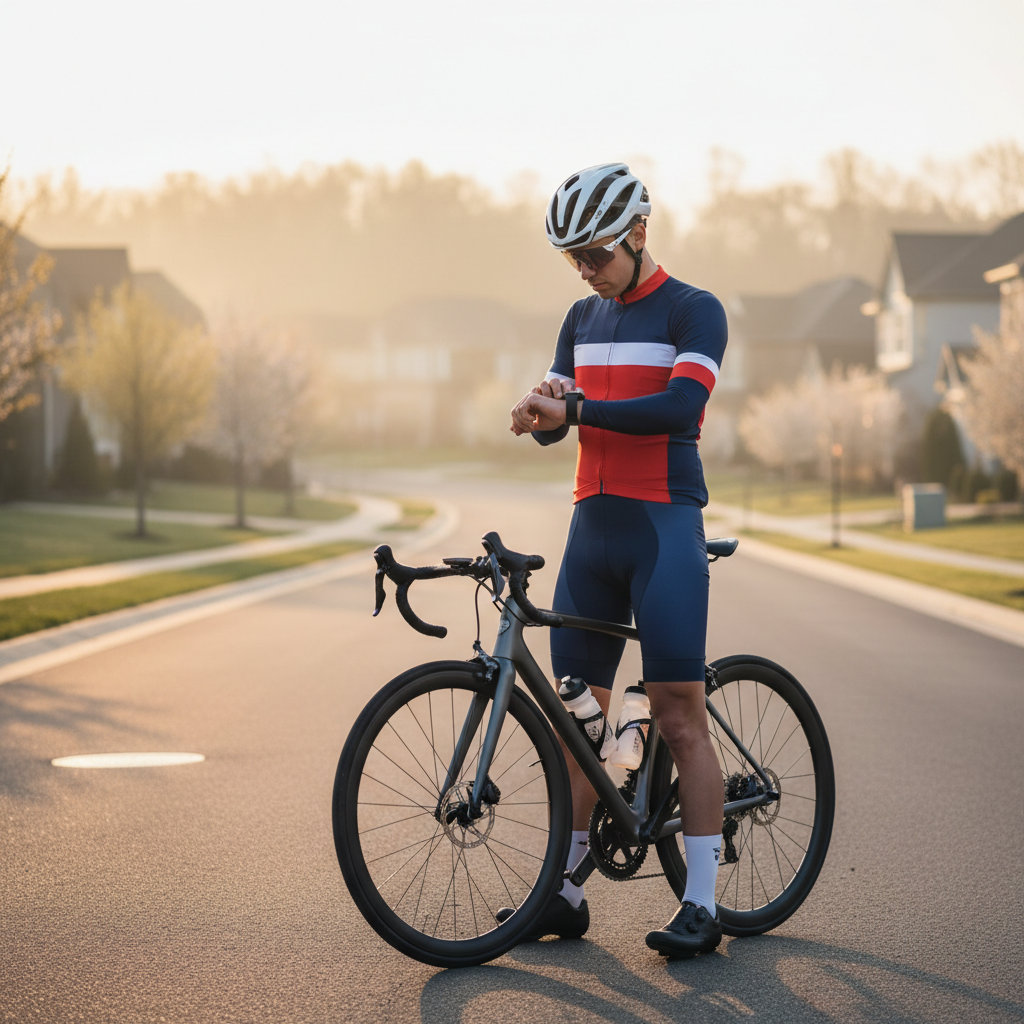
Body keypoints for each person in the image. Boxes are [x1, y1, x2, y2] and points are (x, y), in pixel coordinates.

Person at [508, 163, 728, 957]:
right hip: (591, 531)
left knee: (676, 714)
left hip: (662, 529)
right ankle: (564, 896)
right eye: (572, 259)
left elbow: (679, 407)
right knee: (577, 723)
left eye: (594, 254)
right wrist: (539, 415)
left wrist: (575, 407)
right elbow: (561, 420)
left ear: (638, 233)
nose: (586, 270)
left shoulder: (693, 310)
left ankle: (701, 903)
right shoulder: (580, 315)